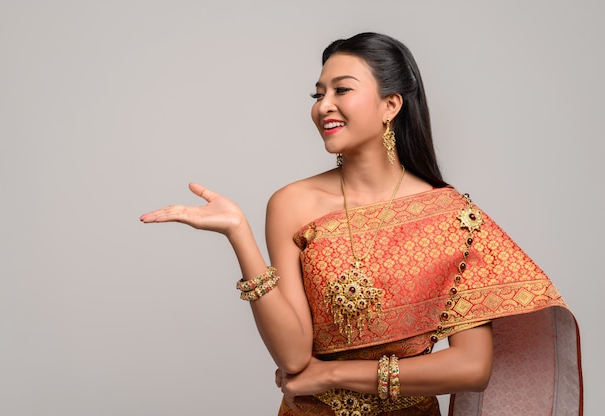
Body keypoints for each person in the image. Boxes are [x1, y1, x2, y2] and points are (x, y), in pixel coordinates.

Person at [140, 32, 582, 415]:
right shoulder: (293, 203)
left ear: (390, 104)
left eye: (341, 90)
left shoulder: (450, 216)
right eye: (318, 94)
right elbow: (294, 357)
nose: (323, 106)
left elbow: (471, 367)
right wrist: (239, 234)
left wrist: (331, 374)